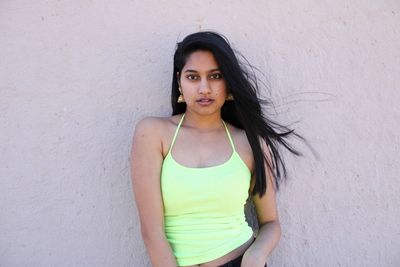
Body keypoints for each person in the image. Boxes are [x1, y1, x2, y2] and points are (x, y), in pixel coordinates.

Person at [130, 31, 306, 267]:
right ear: (179, 82)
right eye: (193, 77)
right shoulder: (153, 134)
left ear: (228, 82)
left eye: (215, 76)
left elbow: (271, 223)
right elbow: (151, 232)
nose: (204, 88)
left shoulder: (250, 143)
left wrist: (255, 256)